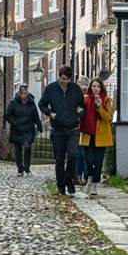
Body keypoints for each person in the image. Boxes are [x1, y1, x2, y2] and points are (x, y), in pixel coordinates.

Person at [38, 65, 85, 196]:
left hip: (73, 128)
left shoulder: (75, 89)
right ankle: (61, 187)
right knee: (59, 159)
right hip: (57, 129)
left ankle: (68, 180)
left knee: (73, 155)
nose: (65, 82)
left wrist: (78, 115)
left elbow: (83, 106)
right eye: (63, 79)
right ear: (59, 76)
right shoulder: (51, 89)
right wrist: (51, 114)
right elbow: (41, 104)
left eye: (68, 79)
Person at [79, 77, 114, 196]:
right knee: (88, 160)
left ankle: (94, 185)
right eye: (93, 86)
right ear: (90, 87)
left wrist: (99, 107)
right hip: (87, 134)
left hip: (101, 135)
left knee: (98, 161)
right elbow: (79, 113)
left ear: (101, 88)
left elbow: (108, 118)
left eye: (98, 86)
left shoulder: (107, 100)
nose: (96, 89)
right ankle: (89, 178)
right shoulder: (85, 99)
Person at [3, 84, 42, 176]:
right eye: (22, 93)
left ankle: (27, 168)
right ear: (19, 94)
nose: (24, 95)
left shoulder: (31, 103)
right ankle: (20, 169)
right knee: (18, 149)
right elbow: (7, 115)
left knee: (27, 146)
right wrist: (15, 123)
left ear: (27, 93)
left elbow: (36, 116)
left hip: (28, 128)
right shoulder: (13, 103)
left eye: (25, 93)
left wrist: (39, 126)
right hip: (17, 129)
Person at [73, 76, 90, 186]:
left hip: (84, 128)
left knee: (83, 154)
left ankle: (83, 176)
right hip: (75, 127)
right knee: (77, 153)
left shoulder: (87, 98)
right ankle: (77, 176)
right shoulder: (74, 96)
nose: (78, 84)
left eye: (79, 82)